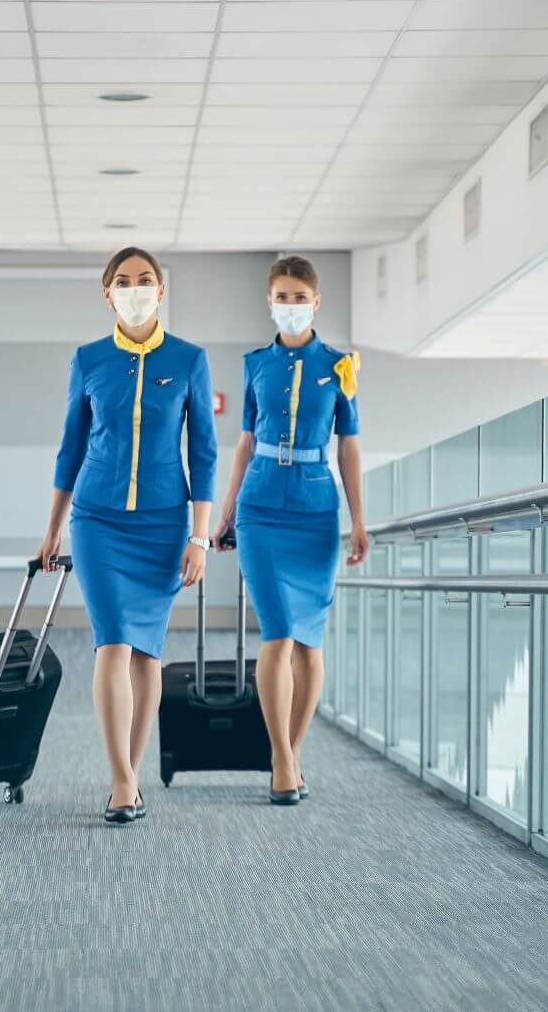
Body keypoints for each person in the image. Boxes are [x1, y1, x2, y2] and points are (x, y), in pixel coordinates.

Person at [35, 247, 216, 825]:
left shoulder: (189, 359)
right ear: (107, 293)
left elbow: (204, 453)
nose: (134, 288)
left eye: (144, 280)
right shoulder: (89, 360)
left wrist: (201, 537)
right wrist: (53, 527)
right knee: (112, 641)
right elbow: (71, 448)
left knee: (148, 655)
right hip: (97, 521)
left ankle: (131, 775)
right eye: (123, 281)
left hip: (164, 524)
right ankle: (119, 780)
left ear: (160, 291)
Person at [213, 256, 367, 805]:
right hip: (260, 507)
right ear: (270, 301)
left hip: (315, 509)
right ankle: (280, 756)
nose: (292, 305)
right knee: (276, 631)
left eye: (301, 296)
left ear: (317, 302)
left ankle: (292, 752)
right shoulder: (256, 363)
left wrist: (358, 520)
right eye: (283, 295)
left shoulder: (340, 365)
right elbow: (244, 442)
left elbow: (348, 446)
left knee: (309, 640)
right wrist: (226, 510)